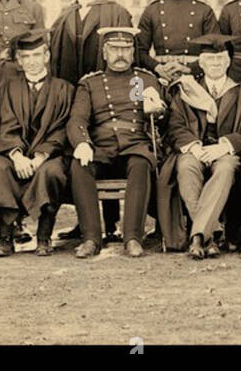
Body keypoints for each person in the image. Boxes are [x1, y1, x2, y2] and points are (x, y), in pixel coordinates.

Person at [47, 0, 133, 242]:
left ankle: (112, 224)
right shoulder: (63, 16)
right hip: (74, 98)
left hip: (109, 96)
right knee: (79, 153)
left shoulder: (114, 11)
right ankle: (85, 221)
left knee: (107, 145)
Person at [66, 27, 167, 259]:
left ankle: (132, 237)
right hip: (101, 147)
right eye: (114, 49)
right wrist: (82, 143)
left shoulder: (143, 80)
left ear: (133, 53)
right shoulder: (91, 83)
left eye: (126, 49)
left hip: (134, 145)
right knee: (79, 165)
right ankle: (91, 238)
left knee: (141, 163)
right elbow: (77, 119)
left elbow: (163, 117)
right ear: (104, 52)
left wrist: (158, 110)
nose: (120, 54)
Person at [0, 29, 74, 258]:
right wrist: (17, 155)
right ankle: (4, 237)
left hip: (50, 155)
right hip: (15, 153)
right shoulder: (7, 89)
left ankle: (44, 237)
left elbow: (62, 129)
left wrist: (41, 155)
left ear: (47, 56)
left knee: (51, 173)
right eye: (26, 57)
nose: (32, 62)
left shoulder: (64, 89)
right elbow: (4, 126)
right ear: (19, 61)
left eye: (37, 55)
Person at [158, 34, 241, 259]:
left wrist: (225, 146)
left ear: (229, 61)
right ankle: (210, 234)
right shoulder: (186, 91)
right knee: (186, 166)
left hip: (225, 152)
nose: (217, 63)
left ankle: (198, 237)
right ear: (201, 62)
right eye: (211, 59)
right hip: (196, 150)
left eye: (221, 58)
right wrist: (194, 146)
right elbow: (175, 126)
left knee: (225, 168)